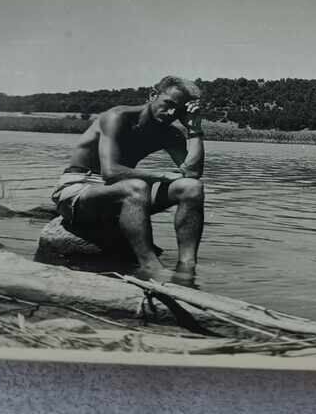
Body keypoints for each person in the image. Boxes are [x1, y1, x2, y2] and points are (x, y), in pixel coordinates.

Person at [50, 75, 205, 283]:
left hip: (117, 192)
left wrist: (194, 129)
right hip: (78, 187)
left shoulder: (171, 134)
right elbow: (111, 172)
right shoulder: (116, 117)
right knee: (136, 187)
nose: (171, 113)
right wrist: (162, 175)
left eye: (179, 111)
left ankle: (187, 266)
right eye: (168, 104)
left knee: (192, 188)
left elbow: (193, 173)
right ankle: (150, 266)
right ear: (152, 95)